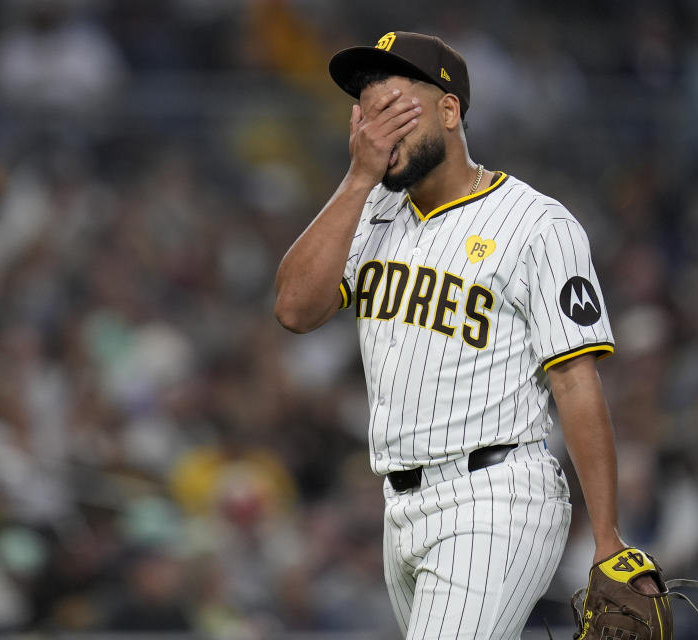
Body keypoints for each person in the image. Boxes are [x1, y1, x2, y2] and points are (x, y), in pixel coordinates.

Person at [275, 31, 655, 638]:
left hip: (497, 494)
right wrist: (354, 180)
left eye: (395, 109)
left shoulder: (537, 225)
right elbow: (295, 308)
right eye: (367, 114)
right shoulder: (369, 212)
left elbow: (575, 380)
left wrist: (607, 538)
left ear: (449, 111)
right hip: (399, 506)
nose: (379, 130)